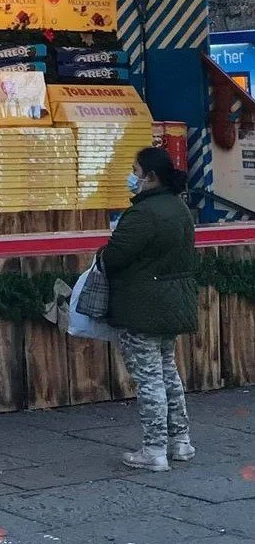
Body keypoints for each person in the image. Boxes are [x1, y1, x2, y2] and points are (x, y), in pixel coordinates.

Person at [99, 143, 198, 472]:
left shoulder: (143, 213)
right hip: (172, 303)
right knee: (168, 371)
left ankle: (154, 450)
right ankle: (180, 441)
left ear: (151, 176)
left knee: (149, 378)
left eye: (135, 171)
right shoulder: (179, 208)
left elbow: (114, 256)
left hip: (143, 305)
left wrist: (102, 255)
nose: (132, 177)